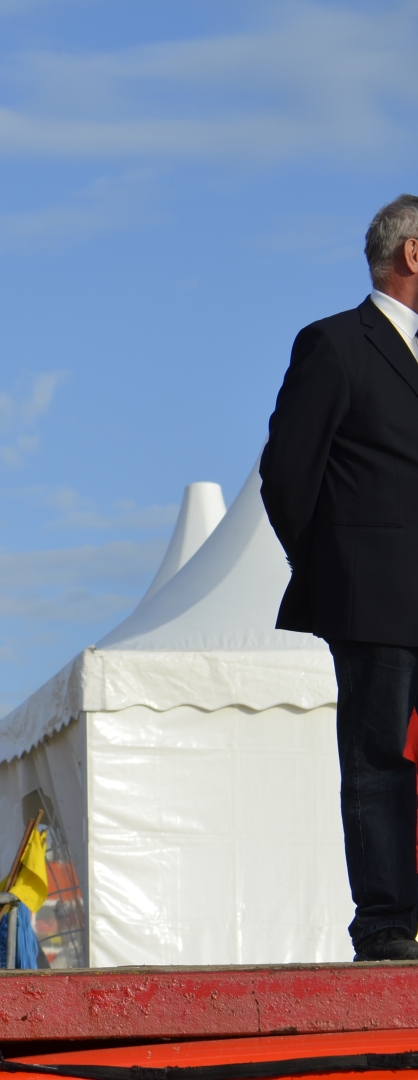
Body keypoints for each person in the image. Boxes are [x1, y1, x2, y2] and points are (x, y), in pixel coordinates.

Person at [260, 194, 418, 962]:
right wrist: (336, 569)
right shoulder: (334, 344)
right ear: (411, 254)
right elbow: (286, 476)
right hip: (372, 598)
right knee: (378, 761)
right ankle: (385, 921)